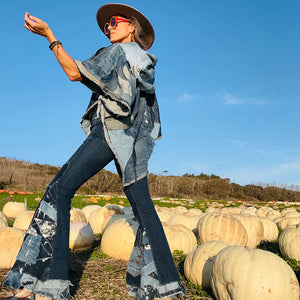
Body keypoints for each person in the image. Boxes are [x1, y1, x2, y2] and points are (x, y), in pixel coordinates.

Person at [3, 3, 185, 300]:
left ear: (131, 26)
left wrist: (50, 36)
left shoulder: (116, 53)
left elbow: (74, 73)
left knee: (58, 191)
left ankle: (50, 285)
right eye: (106, 25)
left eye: (114, 21)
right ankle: (167, 289)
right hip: (131, 144)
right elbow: (147, 116)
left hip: (109, 134)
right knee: (144, 210)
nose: (109, 27)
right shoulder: (142, 62)